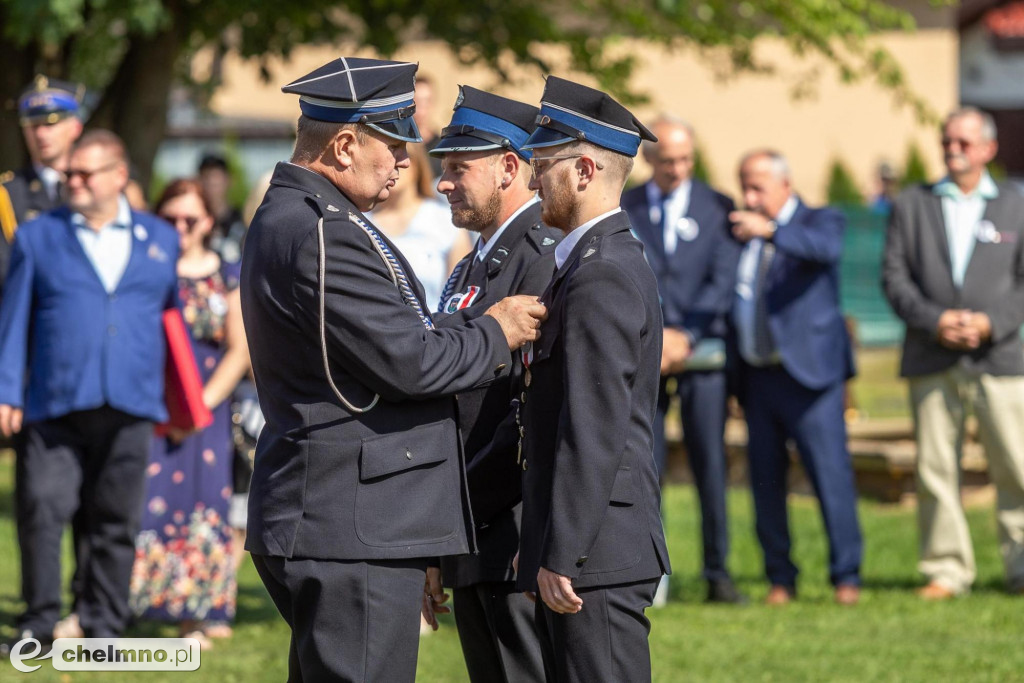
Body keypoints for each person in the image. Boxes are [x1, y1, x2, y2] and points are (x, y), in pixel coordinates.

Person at [239, 57, 545, 682]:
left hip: (340, 513)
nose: (409, 161)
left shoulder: (309, 217)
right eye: (394, 143)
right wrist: (496, 330)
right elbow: (410, 363)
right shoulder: (324, 230)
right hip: (351, 521)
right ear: (345, 146)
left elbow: (403, 339)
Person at [515, 76, 671, 683]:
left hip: (596, 550)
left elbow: (594, 426)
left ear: (583, 171)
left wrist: (563, 552)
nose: (532, 179)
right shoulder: (583, 264)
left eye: (542, 164)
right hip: (586, 544)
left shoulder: (601, 273)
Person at [0, 130, 179, 653]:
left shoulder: (159, 238)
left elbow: (167, 322)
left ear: (119, 176)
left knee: (116, 519)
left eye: (86, 173)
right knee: (42, 510)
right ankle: (38, 622)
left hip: (131, 399)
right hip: (55, 399)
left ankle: (103, 624)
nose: (72, 181)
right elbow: (13, 322)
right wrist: (8, 390)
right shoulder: (38, 236)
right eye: (71, 173)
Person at [425, 85, 560, 682]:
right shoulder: (473, 262)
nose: (442, 183)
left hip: (514, 523)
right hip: (473, 523)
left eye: (459, 168)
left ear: (510, 167)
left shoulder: (542, 255)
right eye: (443, 168)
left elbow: (530, 407)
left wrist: (453, 512)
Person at [882, 107, 1024, 600]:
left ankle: (1021, 567)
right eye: (947, 141)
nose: (953, 149)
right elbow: (894, 278)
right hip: (931, 355)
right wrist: (936, 321)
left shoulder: (1016, 205)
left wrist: (990, 323)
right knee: (936, 469)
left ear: (988, 149)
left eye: (964, 142)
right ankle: (946, 570)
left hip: (1001, 359)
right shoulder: (912, 204)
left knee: (1016, 465)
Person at [731, 149, 863, 606]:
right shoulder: (740, 233)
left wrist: (769, 231)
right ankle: (780, 578)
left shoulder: (820, 220)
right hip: (758, 378)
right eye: (744, 185)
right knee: (766, 484)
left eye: (758, 187)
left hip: (812, 378)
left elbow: (825, 250)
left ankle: (846, 576)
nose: (749, 195)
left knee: (831, 478)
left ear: (785, 185)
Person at [622, 115, 744, 606]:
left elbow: (723, 280)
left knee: (710, 464)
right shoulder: (625, 207)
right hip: (644, 356)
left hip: (702, 355)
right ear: (649, 160)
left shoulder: (718, 206)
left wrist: (685, 334)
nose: (677, 168)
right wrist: (656, 337)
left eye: (685, 159)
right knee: (643, 467)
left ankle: (718, 573)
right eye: (668, 159)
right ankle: (653, 578)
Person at [130, 178, 251, 646]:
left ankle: (195, 614)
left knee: (202, 508)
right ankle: (144, 602)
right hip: (151, 406)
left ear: (207, 220)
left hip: (206, 413)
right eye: (171, 218)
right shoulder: (145, 270)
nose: (181, 227)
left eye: (191, 218)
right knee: (146, 504)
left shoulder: (227, 274)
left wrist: (196, 408)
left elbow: (239, 351)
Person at [0, 75, 84, 287]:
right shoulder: (7, 194)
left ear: (75, 127)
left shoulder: (94, 188)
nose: (40, 134)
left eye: (50, 123)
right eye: (33, 125)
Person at [369, 143, 473, 308]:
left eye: (402, 157)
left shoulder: (446, 220)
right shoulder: (362, 221)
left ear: (417, 164)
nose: (395, 165)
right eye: (388, 157)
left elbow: (460, 292)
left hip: (433, 326)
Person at [198, 154, 247, 264]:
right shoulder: (192, 221)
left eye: (216, 176)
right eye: (206, 177)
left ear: (229, 180)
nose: (211, 182)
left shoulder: (243, 220)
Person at [414, 74, 444, 178]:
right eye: (415, 102)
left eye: (425, 102)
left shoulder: (441, 147)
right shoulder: (399, 145)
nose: (420, 109)